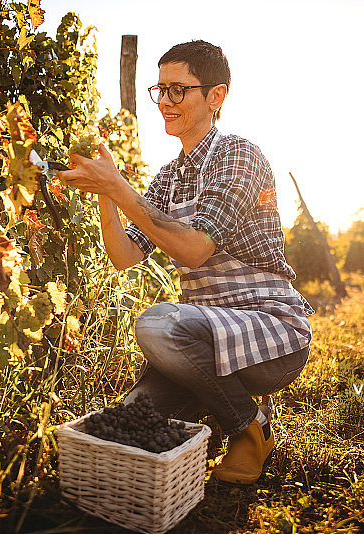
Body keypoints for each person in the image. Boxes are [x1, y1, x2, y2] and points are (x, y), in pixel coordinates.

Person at [58, 40, 314, 485]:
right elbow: (125, 256)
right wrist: (106, 194)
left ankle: (249, 427)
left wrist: (120, 188)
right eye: (160, 90)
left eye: (179, 90)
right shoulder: (169, 175)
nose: (165, 102)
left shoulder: (238, 155)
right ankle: (220, 416)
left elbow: (196, 247)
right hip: (202, 334)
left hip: (269, 328)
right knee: (127, 425)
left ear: (216, 96)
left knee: (158, 326)